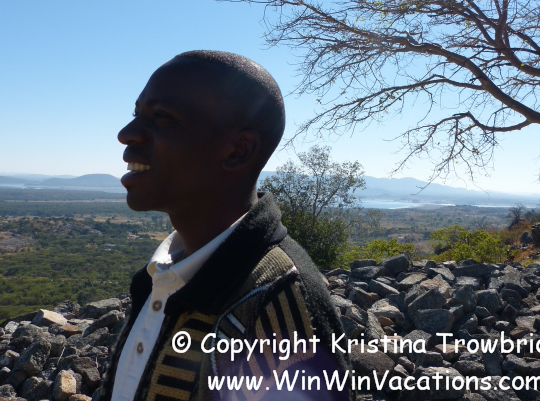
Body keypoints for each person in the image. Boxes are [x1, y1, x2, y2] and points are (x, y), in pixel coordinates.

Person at [99, 50, 353, 401]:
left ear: (238, 150)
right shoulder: (160, 276)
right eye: (136, 114)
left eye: (162, 117)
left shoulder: (280, 308)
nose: (126, 134)